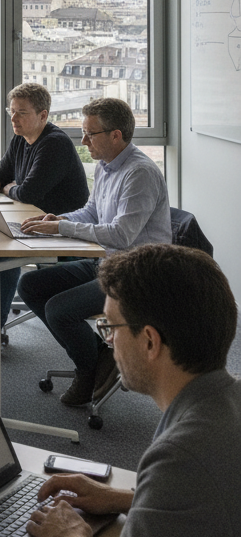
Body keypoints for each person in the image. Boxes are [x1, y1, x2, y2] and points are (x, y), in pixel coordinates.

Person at [27, 243, 241, 537]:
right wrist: (126, 499)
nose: (107, 341)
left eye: (109, 327)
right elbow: (213, 504)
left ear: (149, 341)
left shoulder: (184, 456)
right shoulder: (227, 402)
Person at [17, 97, 171, 407]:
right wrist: (58, 219)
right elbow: (91, 212)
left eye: (90, 134)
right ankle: (100, 356)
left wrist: (61, 228)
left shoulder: (139, 173)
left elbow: (121, 234)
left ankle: (87, 372)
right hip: (109, 262)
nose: (84, 141)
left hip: (136, 275)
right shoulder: (105, 166)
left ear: (116, 135)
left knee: (59, 310)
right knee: (30, 285)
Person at [0, 83, 88, 343]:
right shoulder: (21, 139)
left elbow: (28, 193)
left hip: (62, 227)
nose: (13, 118)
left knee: (3, 250)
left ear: (43, 115)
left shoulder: (54, 144)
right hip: (33, 220)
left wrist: (9, 188)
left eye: (21, 113)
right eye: (11, 111)